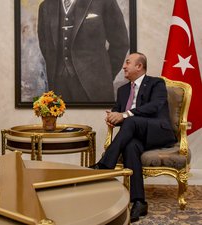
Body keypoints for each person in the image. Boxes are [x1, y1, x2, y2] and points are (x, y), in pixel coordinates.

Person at [90, 52, 177, 222]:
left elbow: (154, 107)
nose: (124, 66)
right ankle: (138, 201)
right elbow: (117, 110)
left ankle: (105, 165)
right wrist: (113, 116)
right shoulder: (122, 90)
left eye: (128, 62)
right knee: (130, 147)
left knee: (130, 120)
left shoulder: (156, 83)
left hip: (157, 132)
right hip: (136, 135)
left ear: (139, 66)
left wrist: (125, 114)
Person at [37, 0, 129, 103]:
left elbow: (120, 43)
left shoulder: (105, 2)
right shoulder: (46, 6)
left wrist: (105, 75)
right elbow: (45, 46)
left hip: (96, 86)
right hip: (58, 86)